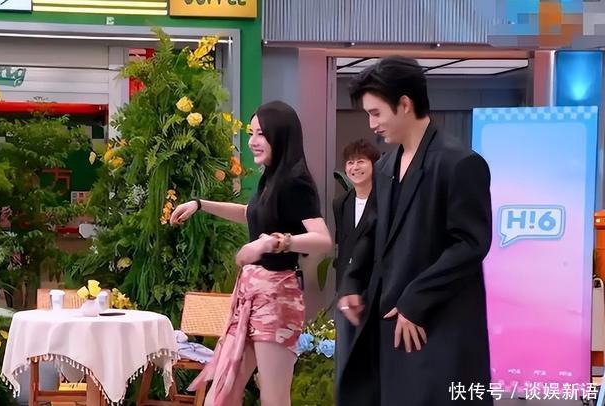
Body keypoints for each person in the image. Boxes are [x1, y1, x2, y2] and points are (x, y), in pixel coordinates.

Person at [337, 56, 493, 406]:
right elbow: (372, 232)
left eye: (376, 113)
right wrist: (352, 281)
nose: (372, 124)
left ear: (405, 104)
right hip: (390, 328)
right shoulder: (386, 167)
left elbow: (470, 243)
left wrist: (415, 299)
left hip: (438, 326)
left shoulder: (459, 163)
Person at [170, 100, 333, 406]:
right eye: (251, 133)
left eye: (261, 134)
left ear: (280, 136)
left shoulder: (295, 181)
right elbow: (250, 212)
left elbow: (322, 239)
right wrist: (200, 204)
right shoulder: (270, 177)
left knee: (273, 399)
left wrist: (273, 243)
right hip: (249, 297)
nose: (252, 142)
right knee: (221, 394)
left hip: (277, 299)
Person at [332, 138, 379, 385]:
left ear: (374, 165)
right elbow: (343, 244)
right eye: (350, 163)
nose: (354, 167)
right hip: (345, 290)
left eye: (361, 161)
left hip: (375, 289)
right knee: (345, 357)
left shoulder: (385, 201)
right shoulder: (341, 203)